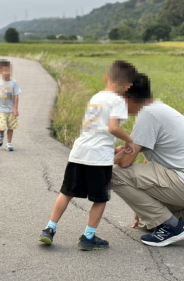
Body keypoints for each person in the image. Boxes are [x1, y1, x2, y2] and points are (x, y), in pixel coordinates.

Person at [112, 73, 184, 247]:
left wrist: (105, 153)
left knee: (111, 173)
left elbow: (124, 163)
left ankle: (171, 226)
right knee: (147, 221)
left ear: (126, 98)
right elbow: (150, 161)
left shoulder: (147, 115)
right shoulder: (157, 109)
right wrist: (143, 207)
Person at [38, 60, 137, 250]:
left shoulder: (96, 97)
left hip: (79, 153)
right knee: (100, 199)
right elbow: (113, 128)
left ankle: (49, 229)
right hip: (98, 160)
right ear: (128, 85)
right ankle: (88, 237)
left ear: (107, 77)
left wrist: (114, 149)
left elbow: (97, 132)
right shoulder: (117, 100)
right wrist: (129, 140)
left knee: (66, 193)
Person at [0, 59, 21, 152]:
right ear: (1, 71)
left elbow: (16, 96)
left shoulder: (14, 83)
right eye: (6, 70)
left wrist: (15, 108)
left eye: (9, 69)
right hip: (1, 110)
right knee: (2, 127)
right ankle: (1, 135)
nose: (8, 72)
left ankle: (9, 143)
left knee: (11, 127)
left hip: (11, 110)